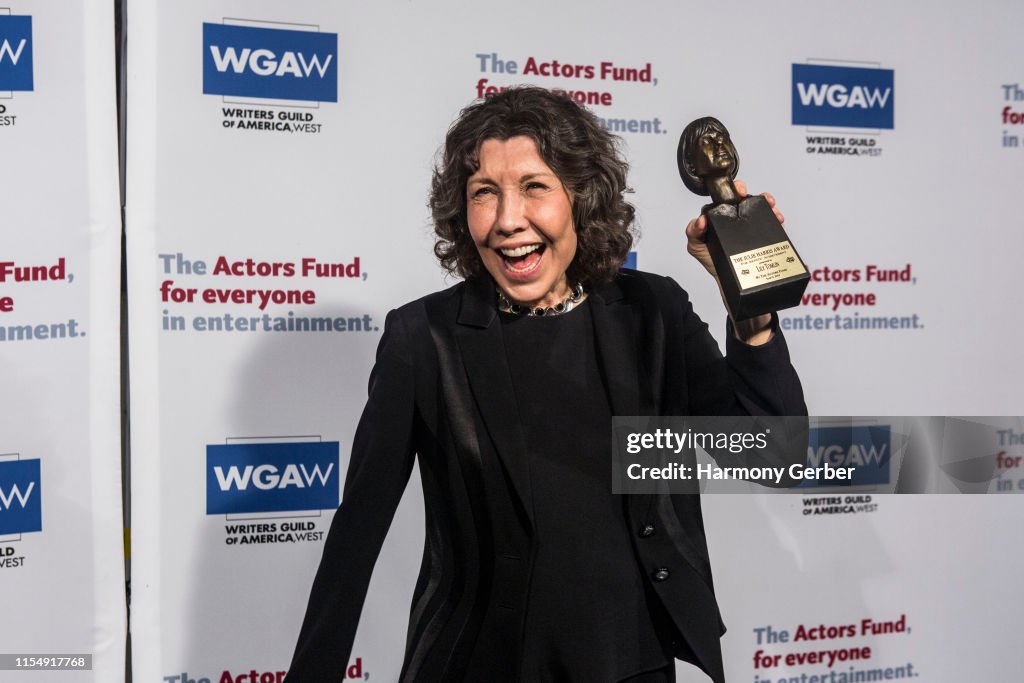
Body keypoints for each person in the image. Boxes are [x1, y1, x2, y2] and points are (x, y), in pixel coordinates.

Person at [286, 86, 806, 683]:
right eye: (485, 193)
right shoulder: (423, 339)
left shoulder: (651, 311)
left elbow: (775, 456)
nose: (509, 221)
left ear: (581, 198)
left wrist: (752, 313)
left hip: (635, 664)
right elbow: (355, 538)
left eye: (534, 187)